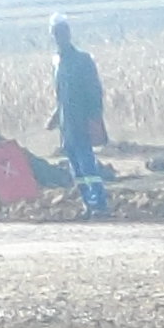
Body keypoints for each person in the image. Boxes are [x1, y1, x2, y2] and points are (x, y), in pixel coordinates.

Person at [49, 14, 113, 218]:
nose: (59, 36)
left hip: (82, 121)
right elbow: (61, 95)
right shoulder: (56, 62)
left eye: (62, 32)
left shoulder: (83, 60)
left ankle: (99, 204)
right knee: (75, 167)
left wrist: (94, 119)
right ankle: (87, 203)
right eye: (56, 33)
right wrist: (55, 116)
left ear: (68, 33)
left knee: (87, 164)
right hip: (66, 124)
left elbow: (94, 92)